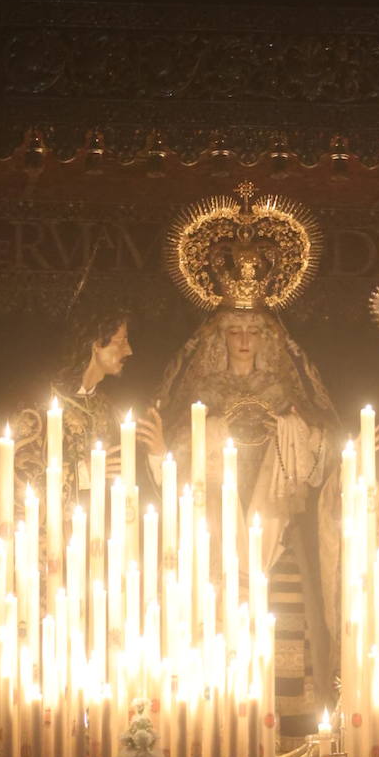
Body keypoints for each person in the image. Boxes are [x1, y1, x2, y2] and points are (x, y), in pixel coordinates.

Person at [139, 305, 338, 731]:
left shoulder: (286, 393)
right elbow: (176, 472)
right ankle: (215, 731)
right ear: (220, 340)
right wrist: (165, 451)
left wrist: (303, 433)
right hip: (215, 539)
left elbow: (316, 463)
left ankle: (285, 736)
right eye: (234, 332)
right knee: (212, 630)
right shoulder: (202, 393)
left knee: (284, 628)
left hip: (274, 536)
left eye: (253, 332)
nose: (245, 341)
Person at [12, 305, 132, 512]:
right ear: (96, 344)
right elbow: (20, 477)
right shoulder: (38, 408)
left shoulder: (108, 407)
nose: (129, 350)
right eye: (121, 341)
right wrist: (83, 472)